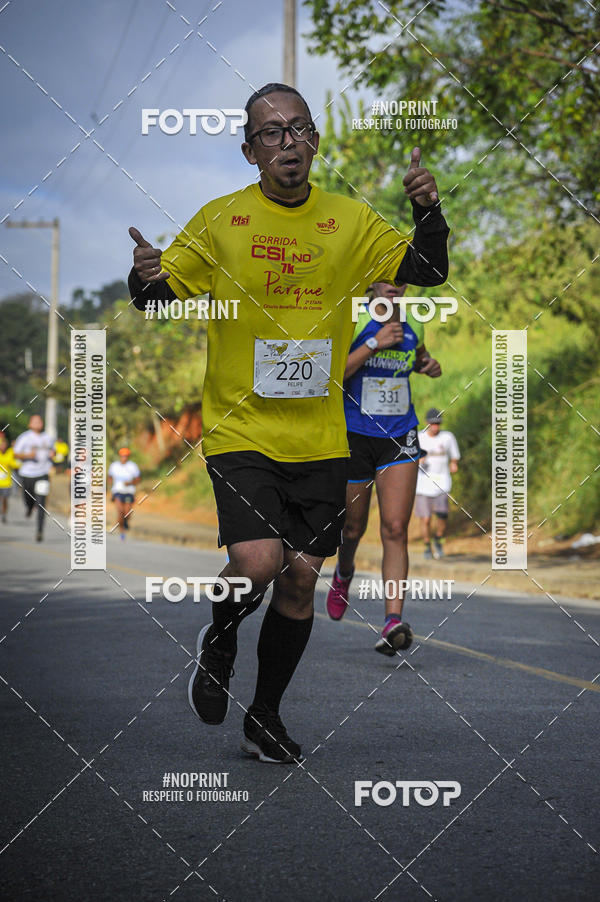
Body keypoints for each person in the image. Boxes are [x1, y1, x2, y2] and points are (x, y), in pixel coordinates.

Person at [127, 82, 449, 764]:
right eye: (270, 134)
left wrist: (430, 210)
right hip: (242, 428)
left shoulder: (349, 220)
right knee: (259, 562)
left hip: (322, 436)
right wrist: (142, 276)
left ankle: (264, 716)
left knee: (301, 577)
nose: (287, 144)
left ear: (315, 142)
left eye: (298, 129)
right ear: (250, 152)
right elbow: (158, 298)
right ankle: (220, 638)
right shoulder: (220, 221)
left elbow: (427, 267)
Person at [326, 282, 441, 653]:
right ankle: (344, 571)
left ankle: (392, 620)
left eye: (400, 284)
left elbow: (418, 356)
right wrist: (375, 343)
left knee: (395, 527)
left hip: (399, 434)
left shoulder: (414, 324)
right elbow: (334, 374)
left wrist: (427, 365)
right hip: (355, 434)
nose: (394, 290)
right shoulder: (354, 319)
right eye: (386, 284)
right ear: (370, 286)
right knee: (353, 527)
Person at [414, 408, 460, 559]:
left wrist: (454, 464)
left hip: (442, 482)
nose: (435, 427)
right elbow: (410, 458)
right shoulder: (419, 438)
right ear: (427, 423)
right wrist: (419, 461)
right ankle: (427, 546)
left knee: (442, 515)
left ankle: (438, 539)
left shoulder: (447, 437)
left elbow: (454, 456)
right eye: (433, 423)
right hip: (423, 484)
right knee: (425, 518)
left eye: (438, 423)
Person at [13, 414, 55, 542]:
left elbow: (53, 452)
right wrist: (28, 455)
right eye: (34, 421)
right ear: (30, 424)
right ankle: (30, 507)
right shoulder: (25, 437)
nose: (37, 423)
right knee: (28, 499)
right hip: (27, 474)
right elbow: (16, 454)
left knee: (41, 503)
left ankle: (39, 531)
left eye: (39, 421)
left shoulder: (48, 438)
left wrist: (53, 454)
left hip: (43, 474)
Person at [108, 447, 140, 539]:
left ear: (128, 457)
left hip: (129, 491)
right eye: (122, 456)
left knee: (127, 513)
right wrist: (110, 486)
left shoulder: (132, 466)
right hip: (117, 491)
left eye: (126, 456)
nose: (124, 458)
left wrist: (130, 483)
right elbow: (109, 477)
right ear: (120, 456)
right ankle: (122, 530)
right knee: (120, 511)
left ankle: (123, 523)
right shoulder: (114, 466)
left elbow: (138, 479)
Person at [0, 431, 20, 523]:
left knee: (5, 500)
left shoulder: (10, 453)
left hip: (6, 482)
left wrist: (17, 465)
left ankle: (4, 513)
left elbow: (14, 463)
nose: (2, 446)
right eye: (1, 445)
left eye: (4, 445)